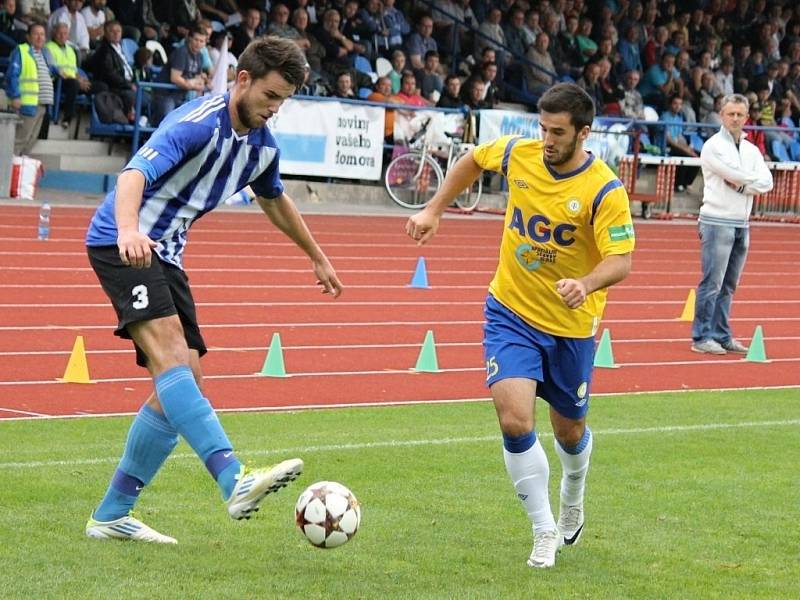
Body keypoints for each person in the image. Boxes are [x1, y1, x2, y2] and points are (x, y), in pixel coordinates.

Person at [83, 36, 343, 544]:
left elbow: (276, 201)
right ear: (242, 79)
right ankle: (234, 478)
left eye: (283, 101)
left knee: (184, 385)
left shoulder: (262, 148)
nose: (274, 109)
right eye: (270, 96)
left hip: (167, 254)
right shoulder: (196, 123)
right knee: (173, 361)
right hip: (124, 241)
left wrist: (316, 255)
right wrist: (131, 229)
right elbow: (135, 173)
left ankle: (113, 512)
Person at [405, 83, 634, 569]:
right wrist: (433, 209)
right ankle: (543, 528)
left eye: (557, 132)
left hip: (571, 327)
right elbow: (471, 161)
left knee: (570, 433)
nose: (546, 140)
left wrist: (587, 283)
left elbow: (621, 259)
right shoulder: (518, 154)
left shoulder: (604, 189)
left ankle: (573, 490)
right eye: (542, 128)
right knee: (514, 420)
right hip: (509, 311)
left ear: (583, 133)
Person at [691, 94, 773, 355]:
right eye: (731, 114)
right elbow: (731, 174)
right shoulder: (713, 146)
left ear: (747, 117)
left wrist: (742, 185)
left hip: (742, 222)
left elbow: (767, 181)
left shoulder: (751, 150)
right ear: (722, 115)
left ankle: (722, 334)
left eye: (740, 114)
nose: (735, 118)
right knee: (712, 282)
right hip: (716, 221)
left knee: (729, 285)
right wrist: (750, 183)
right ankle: (702, 336)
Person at [4, 22, 54, 155]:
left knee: (31, 141)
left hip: (43, 105)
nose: (40, 37)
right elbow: (11, 76)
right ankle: (6, 172)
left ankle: (18, 170)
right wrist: (15, 96)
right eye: (36, 34)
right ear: (28, 37)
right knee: (19, 141)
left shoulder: (44, 54)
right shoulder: (21, 51)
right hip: (28, 104)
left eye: (42, 34)